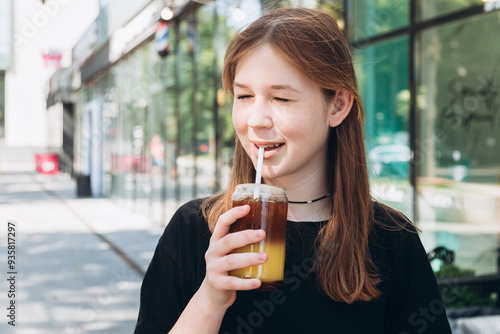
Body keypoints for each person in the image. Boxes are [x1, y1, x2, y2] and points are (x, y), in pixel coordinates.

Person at [134, 7, 452, 334]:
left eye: (281, 99)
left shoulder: (392, 241)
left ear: (338, 105)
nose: (255, 119)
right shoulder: (195, 230)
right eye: (243, 95)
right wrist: (211, 298)